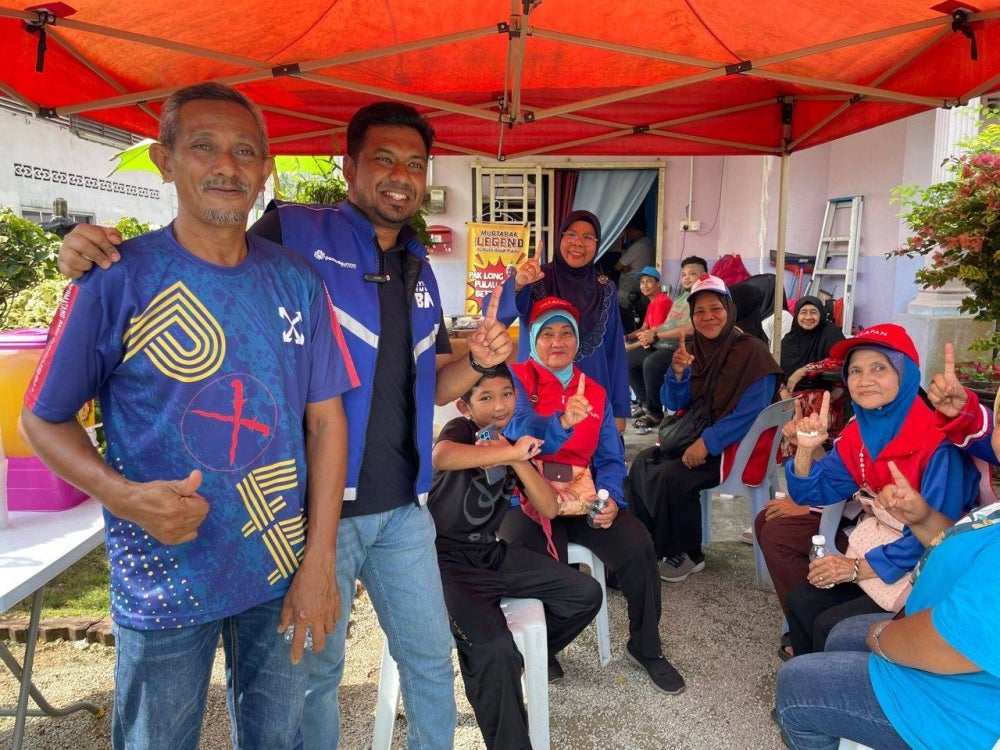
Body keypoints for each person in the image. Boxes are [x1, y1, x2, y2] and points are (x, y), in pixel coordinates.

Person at [56, 101, 514, 749]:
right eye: (382, 158)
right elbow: (208, 246)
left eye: (415, 164)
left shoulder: (418, 264)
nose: (401, 175)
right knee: (313, 678)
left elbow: (430, 382)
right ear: (348, 166)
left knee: (430, 661)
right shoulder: (293, 233)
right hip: (313, 511)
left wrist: (477, 363)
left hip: (403, 507)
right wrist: (85, 254)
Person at [20, 82, 357, 749]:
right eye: (204, 146)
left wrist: (320, 559)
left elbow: (325, 424)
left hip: (278, 565)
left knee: (279, 738)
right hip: (165, 574)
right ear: (167, 161)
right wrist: (124, 497)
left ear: (266, 170)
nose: (227, 166)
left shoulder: (296, 280)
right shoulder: (117, 276)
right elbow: (42, 419)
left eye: (246, 151)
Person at [499, 296, 686, 695]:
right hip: (529, 498)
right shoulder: (514, 379)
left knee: (637, 544)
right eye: (547, 332)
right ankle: (543, 645)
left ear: (577, 341)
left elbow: (610, 457)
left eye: (566, 332)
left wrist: (610, 497)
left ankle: (645, 645)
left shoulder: (595, 392)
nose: (557, 341)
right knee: (520, 554)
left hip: (583, 497)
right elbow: (518, 427)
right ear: (533, 338)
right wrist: (562, 423)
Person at [429, 363, 602, 748]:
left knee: (585, 593)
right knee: (493, 649)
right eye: (485, 397)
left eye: (506, 394)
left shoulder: (513, 441)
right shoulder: (463, 432)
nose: (499, 405)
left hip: (491, 553)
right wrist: (501, 451)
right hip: (446, 562)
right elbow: (441, 457)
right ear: (465, 406)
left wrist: (515, 458)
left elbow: (549, 507)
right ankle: (500, 678)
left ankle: (512, 664)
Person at [776, 454, 1000, 750]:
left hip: (960, 712)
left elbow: (952, 643)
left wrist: (882, 636)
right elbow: (963, 546)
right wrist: (923, 518)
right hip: (941, 635)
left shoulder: (940, 453)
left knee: (795, 688)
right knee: (840, 633)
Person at [782, 324, 980, 656]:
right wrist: (804, 450)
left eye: (879, 368)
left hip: (932, 572)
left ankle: (836, 697)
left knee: (831, 626)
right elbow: (812, 493)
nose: (864, 379)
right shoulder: (861, 432)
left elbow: (937, 539)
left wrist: (855, 568)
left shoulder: (938, 445)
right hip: (887, 550)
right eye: (855, 370)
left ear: (906, 375)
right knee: (801, 602)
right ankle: (807, 690)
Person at [626, 274, 782, 581]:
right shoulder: (696, 348)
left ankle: (688, 553)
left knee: (673, 475)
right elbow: (674, 402)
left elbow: (749, 414)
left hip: (734, 448)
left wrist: (707, 443)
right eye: (699, 311)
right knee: (644, 462)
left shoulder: (752, 353)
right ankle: (646, 543)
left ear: (729, 310)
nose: (708, 317)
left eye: (715, 309)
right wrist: (678, 372)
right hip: (697, 435)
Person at [492, 210, 631, 432]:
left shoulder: (605, 288)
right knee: (537, 456)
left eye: (588, 237)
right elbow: (495, 318)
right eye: (571, 234)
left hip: (591, 398)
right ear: (559, 239)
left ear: (597, 245)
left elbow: (615, 351)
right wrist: (518, 283)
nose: (578, 243)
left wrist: (619, 409)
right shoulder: (536, 278)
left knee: (592, 460)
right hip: (537, 394)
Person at [629, 256, 706, 432]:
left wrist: (655, 335)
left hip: (682, 345)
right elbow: (668, 323)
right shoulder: (681, 298)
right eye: (684, 274)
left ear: (704, 276)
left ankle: (655, 414)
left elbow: (692, 327)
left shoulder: (701, 297)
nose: (686, 277)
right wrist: (649, 335)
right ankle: (645, 403)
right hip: (664, 342)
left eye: (692, 274)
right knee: (629, 360)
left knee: (651, 363)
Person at [616, 214, 655, 332]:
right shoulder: (648, 243)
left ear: (635, 230)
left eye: (628, 231)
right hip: (638, 289)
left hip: (629, 289)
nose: (627, 234)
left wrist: (624, 267)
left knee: (623, 316)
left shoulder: (638, 245)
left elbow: (617, 266)